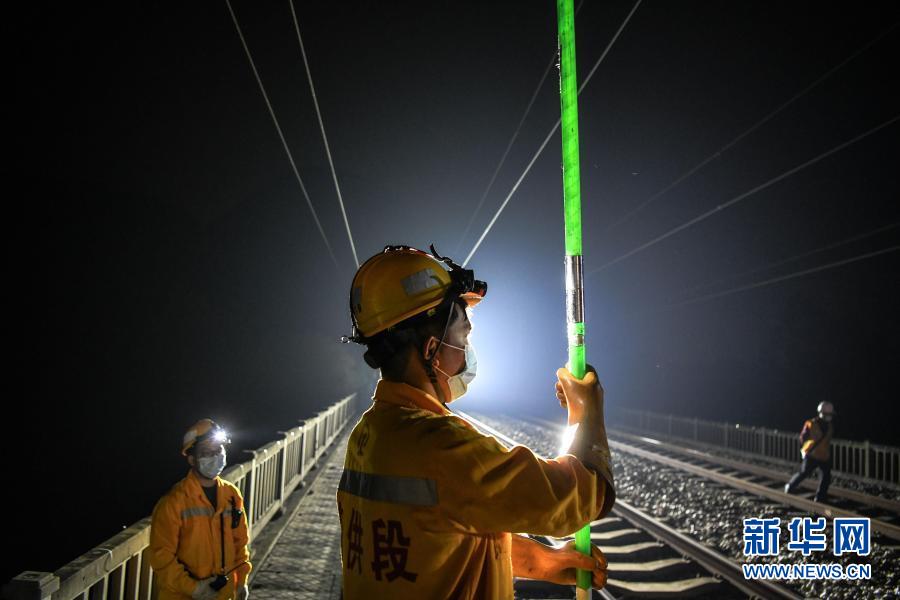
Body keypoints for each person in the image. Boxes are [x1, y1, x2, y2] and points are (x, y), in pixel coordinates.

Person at [338, 245, 615, 599]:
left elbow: (439, 533)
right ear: (431, 350)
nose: (468, 349)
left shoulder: (369, 433)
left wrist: (542, 562)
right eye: (464, 337)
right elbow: (581, 496)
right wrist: (588, 412)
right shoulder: (441, 448)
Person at [149, 419, 252, 600]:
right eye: (206, 452)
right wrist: (194, 589)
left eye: (218, 450)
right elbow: (161, 557)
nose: (215, 456)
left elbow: (240, 543)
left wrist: (241, 581)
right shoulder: (174, 502)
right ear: (192, 459)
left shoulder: (231, 495)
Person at [784, 401, 835, 502]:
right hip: (812, 454)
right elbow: (803, 437)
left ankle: (820, 497)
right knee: (804, 473)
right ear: (821, 413)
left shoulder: (830, 426)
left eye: (830, 414)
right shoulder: (811, 423)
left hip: (824, 455)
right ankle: (790, 486)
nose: (829, 416)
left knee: (826, 476)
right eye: (827, 414)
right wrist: (807, 447)